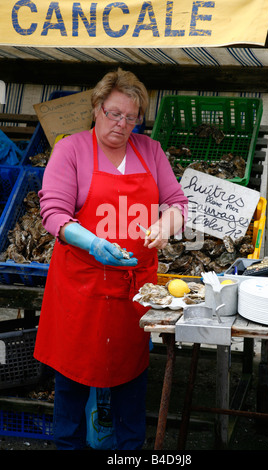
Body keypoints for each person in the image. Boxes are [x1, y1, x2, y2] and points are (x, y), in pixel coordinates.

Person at [34, 68, 188, 450]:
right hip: (80, 289)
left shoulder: (150, 151)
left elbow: (178, 203)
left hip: (132, 291)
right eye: (114, 113)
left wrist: (167, 224)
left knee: (130, 379)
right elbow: (53, 213)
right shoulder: (70, 149)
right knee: (71, 383)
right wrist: (91, 242)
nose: (122, 124)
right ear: (97, 107)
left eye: (131, 117)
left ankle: (130, 451)